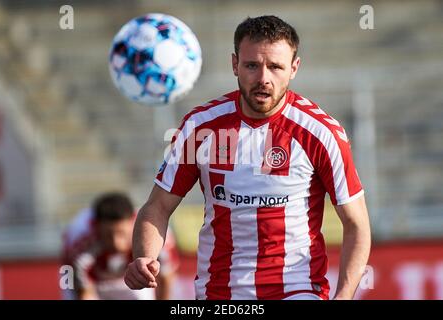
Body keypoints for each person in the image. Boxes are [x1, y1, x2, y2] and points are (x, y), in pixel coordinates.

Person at [124, 15, 371, 300]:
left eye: (275, 67)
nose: (263, 78)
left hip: (296, 290)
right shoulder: (199, 127)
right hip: (220, 293)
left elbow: (357, 223)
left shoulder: (321, 132)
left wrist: (343, 296)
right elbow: (157, 206)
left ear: (294, 68)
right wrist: (144, 256)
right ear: (234, 65)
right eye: (252, 65)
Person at [61, 191, 179, 300]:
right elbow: (83, 291)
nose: (115, 243)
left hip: (130, 278)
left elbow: (166, 278)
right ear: (96, 226)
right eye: (108, 235)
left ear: (132, 222)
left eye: (121, 233)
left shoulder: (152, 232)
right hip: (94, 278)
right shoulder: (78, 239)